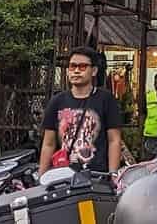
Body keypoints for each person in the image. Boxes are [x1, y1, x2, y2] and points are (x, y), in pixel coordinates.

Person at [39, 46, 122, 175]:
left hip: (96, 175)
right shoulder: (57, 101)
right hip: (63, 175)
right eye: (72, 66)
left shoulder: (106, 99)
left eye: (82, 66)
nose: (76, 71)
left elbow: (114, 140)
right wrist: (41, 178)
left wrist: (113, 174)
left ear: (94, 71)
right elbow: (48, 144)